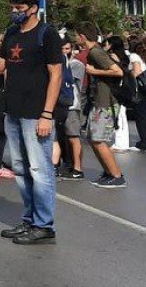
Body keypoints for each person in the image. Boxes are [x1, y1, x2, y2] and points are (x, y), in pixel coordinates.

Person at [0, 0, 63, 246]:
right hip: (13, 111)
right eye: (13, 8)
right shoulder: (11, 33)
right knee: (20, 169)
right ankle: (29, 219)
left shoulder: (46, 34)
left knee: (40, 169)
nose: (15, 12)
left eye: (19, 8)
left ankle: (44, 224)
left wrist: (46, 114)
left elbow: (56, 75)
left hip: (36, 114)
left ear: (33, 8)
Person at [77, 25, 127, 189]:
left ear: (83, 37)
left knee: (98, 140)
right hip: (98, 101)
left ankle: (116, 175)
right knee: (93, 138)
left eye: (77, 36)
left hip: (105, 103)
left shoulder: (96, 52)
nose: (76, 39)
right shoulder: (95, 51)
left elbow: (118, 71)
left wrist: (94, 71)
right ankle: (108, 172)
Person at [53, 39, 86, 180]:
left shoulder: (76, 65)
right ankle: (64, 163)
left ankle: (78, 168)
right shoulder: (60, 61)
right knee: (59, 136)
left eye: (67, 49)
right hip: (58, 104)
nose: (64, 52)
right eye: (62, 49)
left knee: (73, 136)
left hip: (72, 104)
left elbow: (72, 83)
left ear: (71, 49)